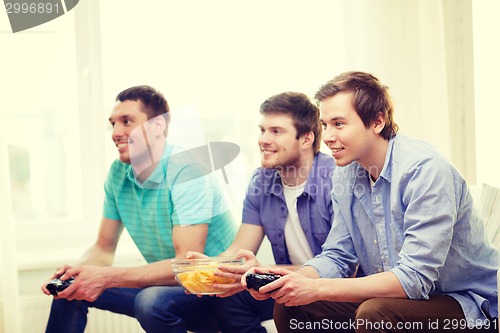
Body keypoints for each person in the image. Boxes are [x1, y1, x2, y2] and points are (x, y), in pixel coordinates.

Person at [247, 72, 499, 332]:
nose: (328, 136)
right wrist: (290, 282)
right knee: (291, 304)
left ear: (377, 121)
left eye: (339, 124)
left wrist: (316, 287)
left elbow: (413, 280)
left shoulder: (425, 170)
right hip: (397, 301)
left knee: (373, 313)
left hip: (466, 307)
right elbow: (337, 256)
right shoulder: (346, 173)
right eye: (325, 125)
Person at [41, 85, 237, 333]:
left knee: (151, 301)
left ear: (157, 126)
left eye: (127, 121)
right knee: (71, 289)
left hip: (216, 294)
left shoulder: (189, 170)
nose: (115, 132)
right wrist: (78, 271)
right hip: (172, 287)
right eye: (112, 123)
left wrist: (106, 277)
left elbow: (187, 266)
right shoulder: (118, 173)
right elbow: (103, 248)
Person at [189, 91, 336, 332]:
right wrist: (212, 268)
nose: (263, 140)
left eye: (276, 131)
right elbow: (239, 249)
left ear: (306, 139)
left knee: (287, 302)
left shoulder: (334, 180)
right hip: (288, 283)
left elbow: (341, 266)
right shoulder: (262, 180)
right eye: (262, 130)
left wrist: (264, 272)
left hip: (333, 287)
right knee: (229, 298)